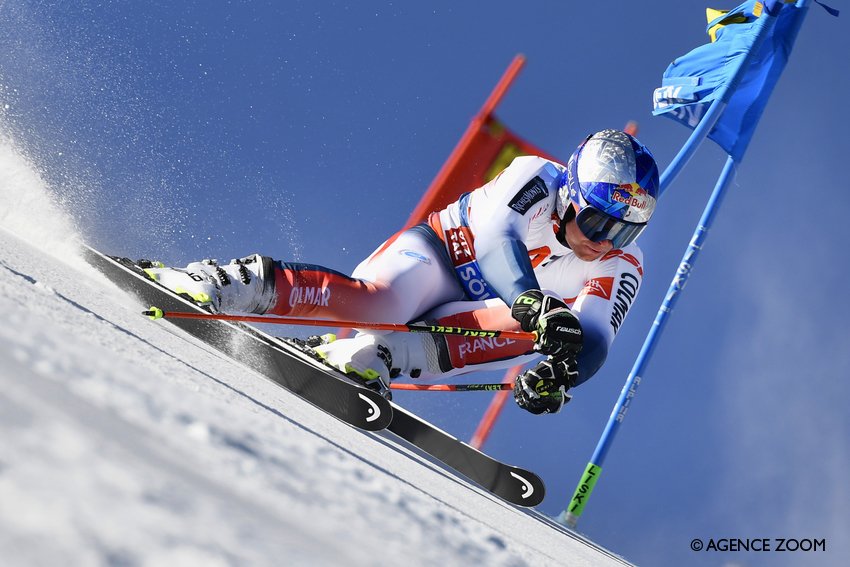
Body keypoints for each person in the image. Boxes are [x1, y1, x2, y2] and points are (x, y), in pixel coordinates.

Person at [146, 129, 659, 415]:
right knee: (381, 304)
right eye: (596, 221)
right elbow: (496, 240)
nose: (602, 242)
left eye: (622, 233)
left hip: (477, 313)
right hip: (436, 257)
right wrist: (532, 299)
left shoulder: (622, 264)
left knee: (556, 331)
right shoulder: (537, 177)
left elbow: (594, 335)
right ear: (571, 194)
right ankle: (227, 283)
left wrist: (560, 373)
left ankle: (375, 356)